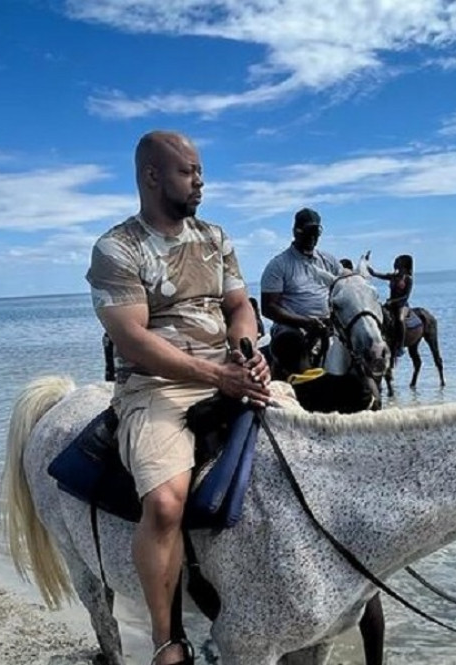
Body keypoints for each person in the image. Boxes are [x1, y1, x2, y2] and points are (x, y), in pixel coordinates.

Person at [87, 130, 271, 665]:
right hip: (156, 386)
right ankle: (167, 639)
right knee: (165, 503)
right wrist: (217, 379)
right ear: (151, 176)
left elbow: (240, 306)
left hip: (227, 370)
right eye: (189, 172)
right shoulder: (117, 248)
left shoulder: (215, 237)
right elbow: (133, 339)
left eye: (201, 172)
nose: (201, 182)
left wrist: (244, 350)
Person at [260, 208, 344, 379]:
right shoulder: (279, 265)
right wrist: (305, 322)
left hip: (328, 323)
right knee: (290, 343)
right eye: (307, 232)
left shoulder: (329, 261)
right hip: (293, 326)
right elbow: (268, 308)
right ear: (296, 231)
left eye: (316, 232)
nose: (312, 237)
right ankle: (295, 386)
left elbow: (344, 287)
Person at [368, 254, 416, 346]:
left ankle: (401, 344)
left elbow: (406, 296)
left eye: (398, 261)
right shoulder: (394, 276)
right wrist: (371, 271)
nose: (395, 263)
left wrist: (393, 301)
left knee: (400, 319)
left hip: (402, 305)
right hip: (391, 303)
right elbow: (380, 275)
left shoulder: (408, 279)